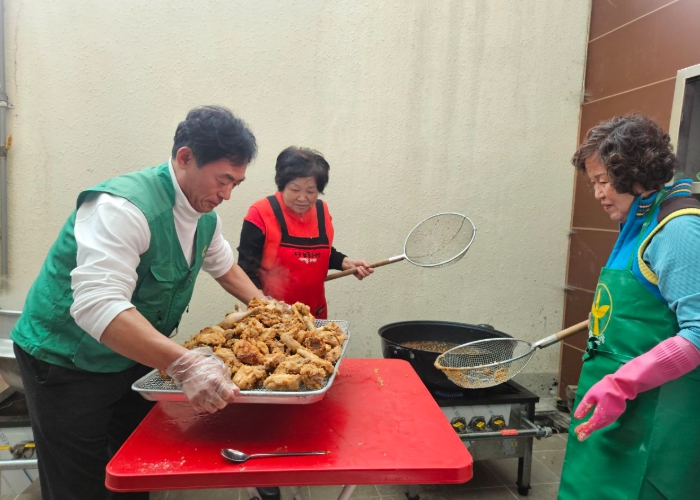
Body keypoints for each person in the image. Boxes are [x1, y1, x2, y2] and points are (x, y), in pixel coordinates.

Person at [11, 105, 266, 500]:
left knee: (135, 469)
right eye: (223, 180)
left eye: (237, 183)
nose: (227, 194)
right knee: (80, 483)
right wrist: (186, 364)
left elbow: (224, 267)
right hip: (66, 362)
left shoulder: (204, 215)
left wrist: (269, 308)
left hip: (132, 356)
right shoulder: (122, 208)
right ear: (185, 158)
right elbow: (97, 305)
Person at [558, 115, 700, 499]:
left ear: (634, 173)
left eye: (603, 181)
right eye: (593, 183)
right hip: (613, 413)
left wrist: (622, 384)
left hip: (654, 417)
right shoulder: (638, 220)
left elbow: (699, 331)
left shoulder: (678, 228)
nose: (598, 194)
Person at [237, 146, 373, 319]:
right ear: (282, 185)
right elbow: (246, 269)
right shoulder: (260, 213)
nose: (302, 198)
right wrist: (266, 308)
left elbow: (319, 254)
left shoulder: (322, 211)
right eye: (295, 190)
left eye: (310, 191)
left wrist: (345, 262)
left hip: (314, 314)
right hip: (271, 316)